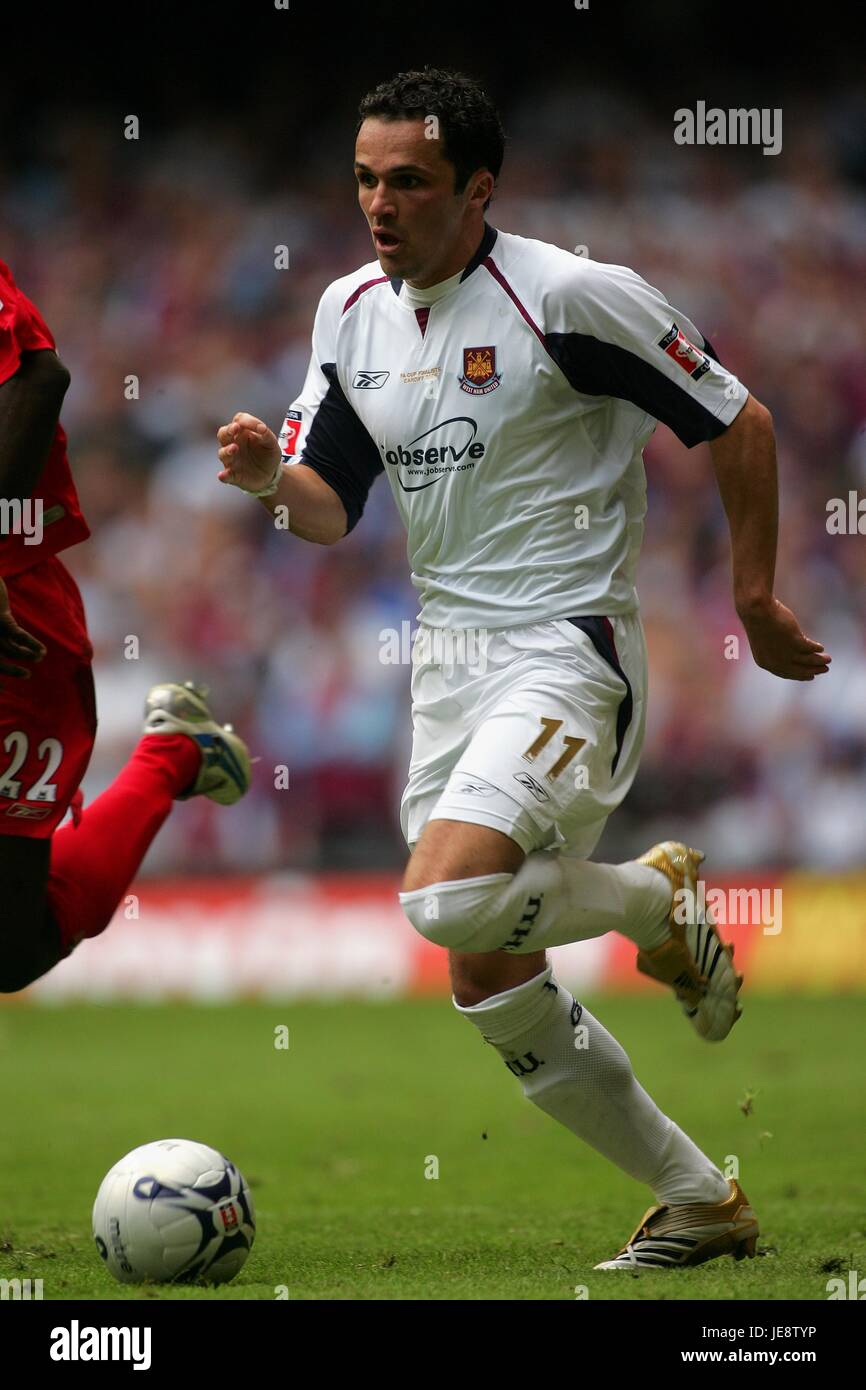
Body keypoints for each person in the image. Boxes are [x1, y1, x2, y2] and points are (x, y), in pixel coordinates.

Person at [216, 69, 830, 1269]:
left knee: (440, 897)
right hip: (445, 667)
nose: (378, 204)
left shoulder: (568, 296)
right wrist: (260, 485)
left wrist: (751, 597)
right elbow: (330, 507)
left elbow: (735, 417)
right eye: (363, 179)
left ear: (475, 189)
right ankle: (699, 1198)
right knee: (485, 973)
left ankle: (655, 900)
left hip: (568, 646)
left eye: (407, 181)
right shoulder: (347, 311)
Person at [0, 259, 251, 993]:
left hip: (14, 610)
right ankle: (175, 756)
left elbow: (37, 377)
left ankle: (172, 757)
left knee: (12, 943)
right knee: (9, 951)